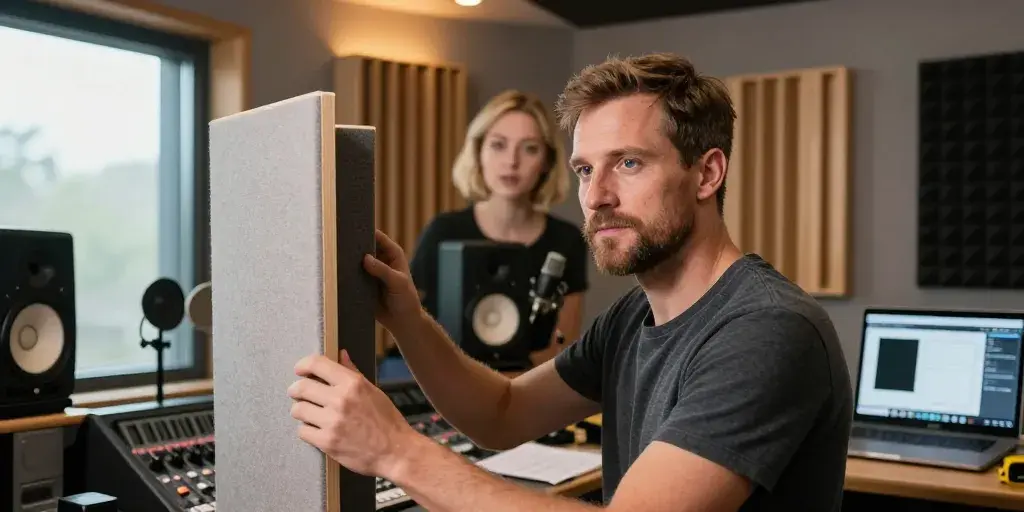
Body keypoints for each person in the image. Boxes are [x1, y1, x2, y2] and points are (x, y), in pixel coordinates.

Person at [287, 52, 854, 511]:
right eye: (585, 169)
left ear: (707, 173)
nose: (596, 196)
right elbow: (503, 412)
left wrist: (395, 451)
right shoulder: (632, 317)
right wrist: (407, 317)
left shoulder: (767, 331)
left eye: (628, 163)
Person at [404, 89, 589, 364]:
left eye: (529, 148)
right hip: (442, 381)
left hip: (531, 386)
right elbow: (409, 329)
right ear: (478, 152)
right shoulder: (443, 233)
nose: (512, 161)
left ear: (547, 162)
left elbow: (562, 349)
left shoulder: (567, 240)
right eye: (498, 145)